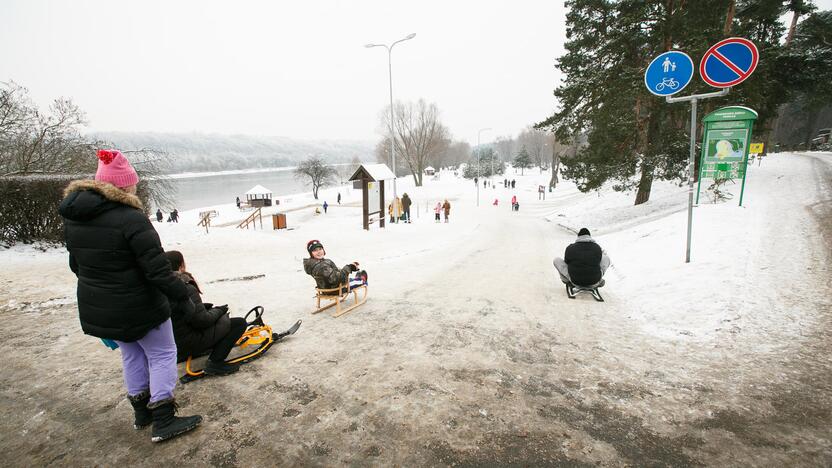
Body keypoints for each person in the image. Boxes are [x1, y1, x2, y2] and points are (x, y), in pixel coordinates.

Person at [58, 149, 202, 443]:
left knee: (132, 354)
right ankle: (164, 418)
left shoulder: (76, 218)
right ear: (124, 185)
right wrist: (184, 295)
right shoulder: (131, 218)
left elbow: (77, 265)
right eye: (133, 182)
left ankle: (141, 413)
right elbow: (158, 270)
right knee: (162, 354)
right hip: (139, 305)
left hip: (102, 305)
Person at [164, 251, 247, 376]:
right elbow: (202, 321)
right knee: (238, 323)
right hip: (189, 342)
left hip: (173, 343)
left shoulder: (160, 287)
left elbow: (180, 311)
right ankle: (215, 362)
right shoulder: (185, 287)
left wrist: (202, 307)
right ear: (181, 265)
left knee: (217, 318)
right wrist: (219, 311)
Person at [303, 240, 367, 293]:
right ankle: (361, 279)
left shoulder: (316, 263)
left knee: (349, 279)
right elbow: (336, 279)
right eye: (315, 250)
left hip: (325, 288)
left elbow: (331, 274)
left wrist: (344, 269)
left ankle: (356, 279)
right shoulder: (321, 266)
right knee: (356, 282)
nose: (319, 252)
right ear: (311, 254)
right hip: (335, 289)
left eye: (320, 249)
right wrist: (349, 267)